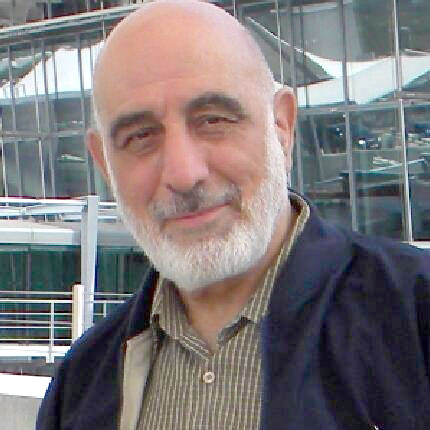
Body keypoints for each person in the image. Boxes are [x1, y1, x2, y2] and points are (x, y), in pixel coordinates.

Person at [37, 1, 430, 429]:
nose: (184, 174)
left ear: (282, 126)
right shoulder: (81, 385)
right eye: (141, 136)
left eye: (213, 120)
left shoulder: (415, 320)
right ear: (104, 164)